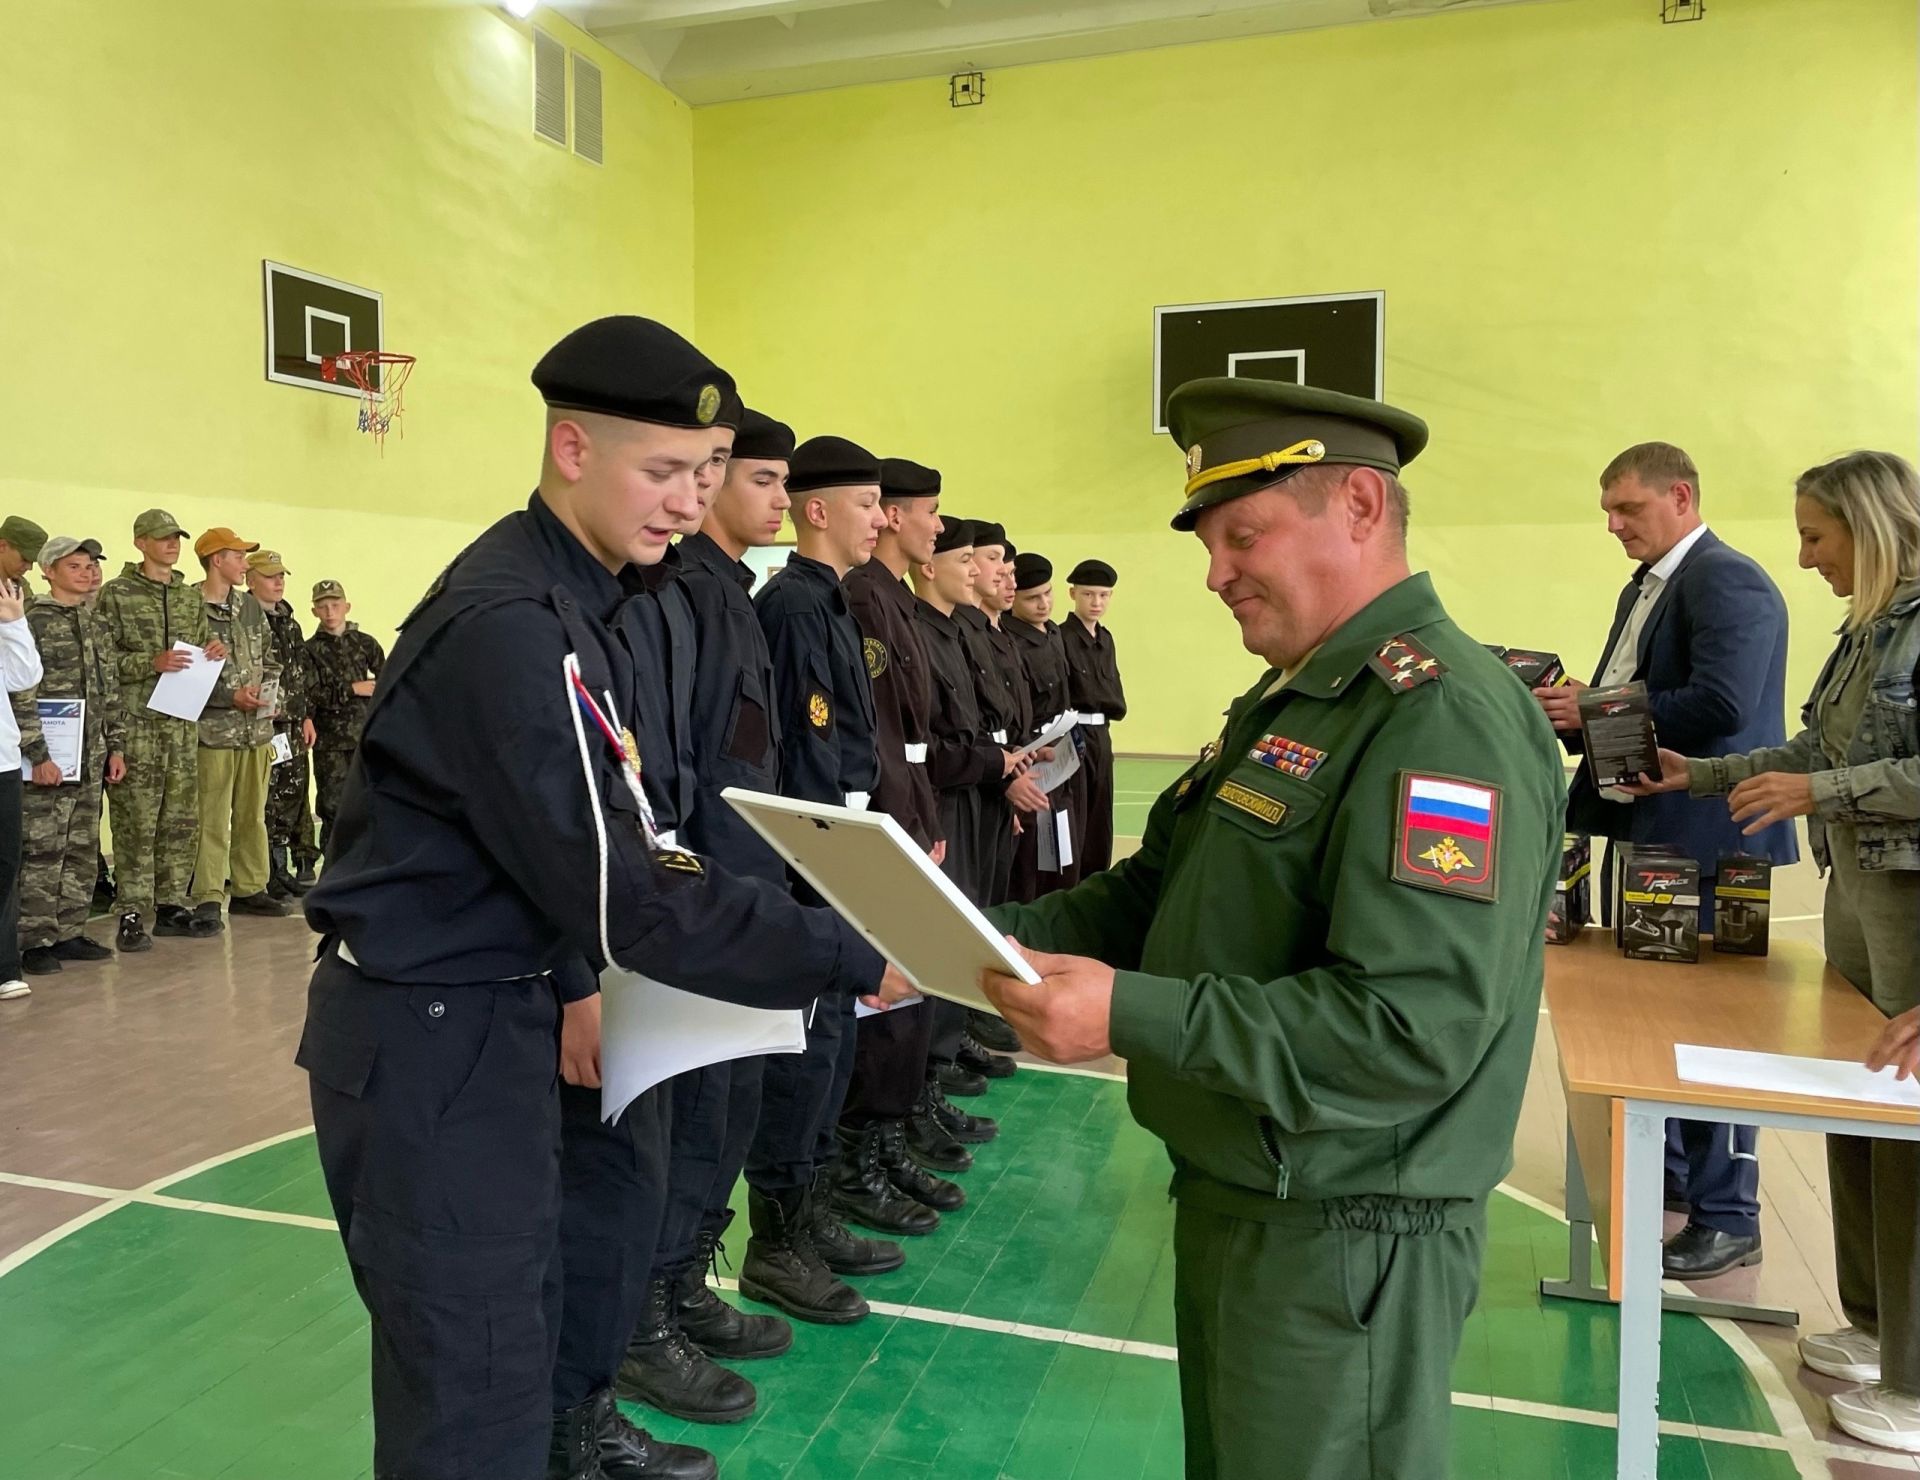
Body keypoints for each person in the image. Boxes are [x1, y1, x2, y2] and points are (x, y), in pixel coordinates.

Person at [298, 316, 908, 1480]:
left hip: (500, 1005)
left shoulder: (585, 596)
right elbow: (622, 885)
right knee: (468, 1387)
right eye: (666, 470)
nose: (691, 500)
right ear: (572, 448)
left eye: (708, 471)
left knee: (523, 1330)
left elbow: (614, 831)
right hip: (435, 1032)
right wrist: (838, 950)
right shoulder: (514, 625)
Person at [981, 378, 1561, 1480]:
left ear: (1357, 505)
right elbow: (1153, 895)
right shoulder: (1297, 699)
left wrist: (1124, 1012)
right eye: (1209, 541)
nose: (1215, 572)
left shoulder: (1438, 719)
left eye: (1243, 534)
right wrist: (955, 943)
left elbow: (1407, 1027)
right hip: (1256, 1196)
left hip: (1348, 1236)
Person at [1636, 451, 1920, 1454]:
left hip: (1911, 907)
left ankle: (1919, 1386)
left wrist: (1824, 796)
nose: (1803, 558)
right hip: (1862, 895)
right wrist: (1703, 774)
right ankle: (1882, 1324)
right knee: (1867, 1115)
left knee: (1913, 1131)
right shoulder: (1866, 633)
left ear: (1872, 525)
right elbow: (1814, 751)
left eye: (1816, 535)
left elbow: (1852, 777)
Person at [1534, 441, 1796, 1280]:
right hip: (1662, 834)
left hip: (1713, 836)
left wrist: (1595, 706)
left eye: (1628, 509)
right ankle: (1679, 1185)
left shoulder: (1726, 579)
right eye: (1607, 511)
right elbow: (1643, 693)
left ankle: (1729, 1214)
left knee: (1713, 1034)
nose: (1613, 525)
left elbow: (1722, 702)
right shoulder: (1652, 584)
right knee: (1663, 1022)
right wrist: (1580, 711)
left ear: (1680, 497)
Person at [746, 433, 910, 1322]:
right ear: (818, 510)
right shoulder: (797, 608)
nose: (880, 519)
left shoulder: (831, 603)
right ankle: (776, 1240)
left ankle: (803, 1221)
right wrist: (828, 856)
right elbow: (808, 747)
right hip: (814, 850)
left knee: (834, 1039)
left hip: (840, 840)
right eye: (866, 503)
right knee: (804, 1048)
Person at [836, 455, 955, 1237]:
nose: (933, 526)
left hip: (911, 803)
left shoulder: (895, 602)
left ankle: (886, 1136)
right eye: (927, 512)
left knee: (906, 994)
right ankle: (857, 1160)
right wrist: (903, 823)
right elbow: (875, 731)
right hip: (885, 810)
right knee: (879, 997)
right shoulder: (863, 601)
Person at [908, 514, 1012, 1162]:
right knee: (935, 937)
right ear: (930, 565)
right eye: (967, 559)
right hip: (941, 796)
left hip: (976, 788)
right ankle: (927, 1074)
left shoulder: (956, 630)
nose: (976, 571)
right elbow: (926, 740)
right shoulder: (915, 628)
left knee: (970, 913)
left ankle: (945, 1048)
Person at [96, 509, 228, 952]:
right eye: (162, 538)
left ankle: (171, 904)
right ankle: (132, 910)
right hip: (137, 725)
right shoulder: (116, 594)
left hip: (181, 723)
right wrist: (148, 663)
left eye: (175, 538)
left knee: (180, 818)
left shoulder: (189, 597)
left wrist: (214, 648)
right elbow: (102, 661)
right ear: (140, 543)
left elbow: (199, 645)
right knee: (136, 818)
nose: (172, 545)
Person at [17, 537, 124, 975]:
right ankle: (33, 939)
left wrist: (115, 745)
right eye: (75, 566)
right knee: (42, 847)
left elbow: (109, 689)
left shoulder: (96, 623)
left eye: (91, 566)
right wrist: (36, 752)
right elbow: (22, 691)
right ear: (48, 571)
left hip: (91, 755)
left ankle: (69, 930)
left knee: (81, 845)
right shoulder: (33, 621)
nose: (87, 573)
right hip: (48, 756)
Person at [957, 519, 1039, 1055]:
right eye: (988, 560)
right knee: (964, 906)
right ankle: (959, 1020)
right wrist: (1004, 776)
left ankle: (968, 1016)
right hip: (969, 783)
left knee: (989, 897)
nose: (1000, 574)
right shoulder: (954, 628)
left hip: (994, 779)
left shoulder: (991, 633)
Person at [191, 527, 285, 927]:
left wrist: (269, 697)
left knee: (252, 814)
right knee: (210, 816)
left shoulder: (248, 606)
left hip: (254, 731)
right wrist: (229, 698)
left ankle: (250, 888)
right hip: (213, 730)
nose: (245, 564)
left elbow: (269, 657)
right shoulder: (188, 606)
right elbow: (185, 671)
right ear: (217, 560)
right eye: (239, 556)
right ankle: (209, 894)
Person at [1005, 552, 1085, 898]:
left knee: (1064, 850)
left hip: (1062, 756)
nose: (1043, 604)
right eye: (1032, 598)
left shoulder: (1054, 633)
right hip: (1032, 759)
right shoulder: (1011, 641)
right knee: (1033, 859)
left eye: (1047, 593)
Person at [248, 549, 320, 899]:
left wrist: (305, 715)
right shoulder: (244, 619)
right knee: (264, 800)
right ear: (250, 579)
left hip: (291, 724)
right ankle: (263, 873)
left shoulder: (289, 622)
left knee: (289, 796)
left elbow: (300, 674)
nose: (279, 582)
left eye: (281, 576)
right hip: (261, 722)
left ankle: (280, 869)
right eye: (270, 576)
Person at [304, 579, 384, 864]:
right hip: (330, 742)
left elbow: (385, 681)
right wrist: (352, 688)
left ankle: (368, 862)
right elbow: (311, 694)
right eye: (323, 606)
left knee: (368, 801)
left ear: (347, 607)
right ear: (314, 611)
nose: (330, 612)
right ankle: (335, 866)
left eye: (335, 605)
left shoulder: (365, 644)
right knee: (332, 807)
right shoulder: (310, 650)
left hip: (364, 736)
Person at [1062, 558, 1126, 875]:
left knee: (1101, 816)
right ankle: (1071, 882)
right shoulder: (1060, 637)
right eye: (1088, 594)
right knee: (1076, 817)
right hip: (1073, 735)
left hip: (1102, 735)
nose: (1096, 602)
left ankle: (1095, 880)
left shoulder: (1107, 640)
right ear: (1073, 593)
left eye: (1103, 595)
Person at [0, 575, 44, 1000]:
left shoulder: (5, 620)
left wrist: (14, 623)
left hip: (3, 762)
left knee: (4, 865)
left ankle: (4, 967)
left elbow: (24, 676)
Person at [0, 516, 47, 605]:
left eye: (32, 561)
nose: (29, 567)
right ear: (2, 546)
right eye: (25, 559)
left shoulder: (20, 586)